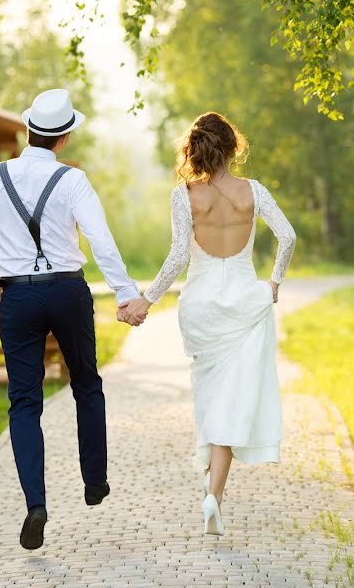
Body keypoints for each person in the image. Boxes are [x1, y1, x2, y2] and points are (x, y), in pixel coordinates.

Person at [0, 89, 142, 550]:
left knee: (24, 402)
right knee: (86, 384)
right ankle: (94, 481)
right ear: (64, 137)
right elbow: (100, 238)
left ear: (27, 129)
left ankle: (36, 503)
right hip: (68, 292)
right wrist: (126, 292)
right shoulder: (73, 180)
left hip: (17, 298)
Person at [121, 112, 296, 535]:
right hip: (243, 303)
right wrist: (273, 282)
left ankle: (211, 487)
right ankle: (214, 495)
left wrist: (147, 299)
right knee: (232, 401)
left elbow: (179, 255)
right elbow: (288, 236)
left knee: (212, 395)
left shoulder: (184, 195)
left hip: (199, 305)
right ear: (233, 148)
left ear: (196, 149)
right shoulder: (253, 191)